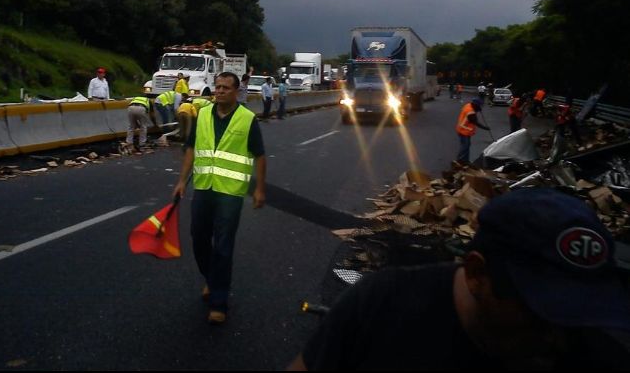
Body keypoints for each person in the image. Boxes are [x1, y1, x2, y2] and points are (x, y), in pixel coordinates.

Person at [288, 188, 630, 370]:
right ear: (477, 273)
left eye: (584, 313)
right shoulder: (380, 304)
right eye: (542, 314)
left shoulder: (597, 355)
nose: (559, 339)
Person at [172, 72, 266, 325]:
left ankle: (219, 302)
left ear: (236, 92)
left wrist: (259, 189)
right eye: (218, 86)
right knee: (198, 238)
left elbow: (259, 155)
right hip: (203, 187)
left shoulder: (247, 119)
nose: (220, 91)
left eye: (226, 87)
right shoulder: (203, 114)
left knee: (223, 246)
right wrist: (181, 181)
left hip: (230, 192)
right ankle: (211, 278)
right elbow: (191, 148)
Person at [455, 97, 490, 164]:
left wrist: (477, 110)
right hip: (464, 130)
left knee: (467, 145)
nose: (480, 107)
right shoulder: (470, 112)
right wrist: (485, 128)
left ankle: (465, 160)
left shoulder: (468, 105)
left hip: (462, 129)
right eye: (479, 106)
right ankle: (459, 161)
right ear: (475, 105)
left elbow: (474, 112)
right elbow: (475, 122)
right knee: (465, 146)